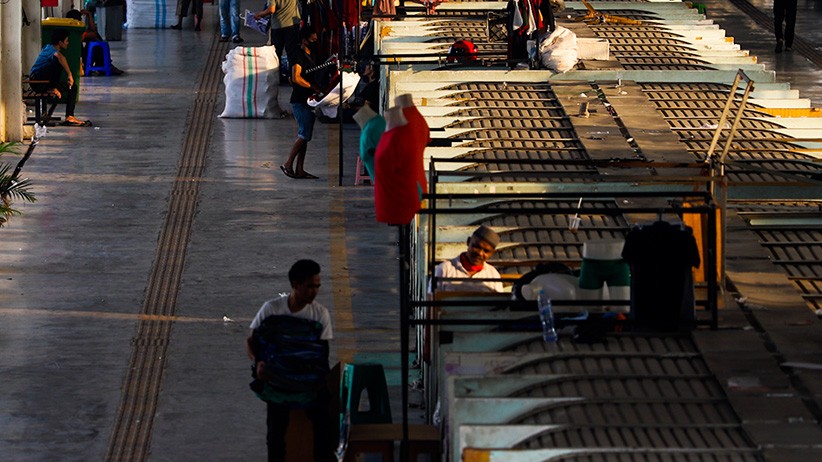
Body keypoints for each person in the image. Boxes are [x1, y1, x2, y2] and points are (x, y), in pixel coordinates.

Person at [246, 259, 335, 462]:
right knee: (275, 435)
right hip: (278, 382)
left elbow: (322, 354)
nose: (314, 291)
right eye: (310, 286)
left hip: (309, 382)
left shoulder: (320, 314)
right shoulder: (272, 309)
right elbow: (251, 341)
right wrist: (258, 362)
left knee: (324, 428)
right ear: (295, 284)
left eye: (317, 286)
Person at [280, 28, 322, 180]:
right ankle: (288, 163)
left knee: (306, 136)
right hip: (299, 100)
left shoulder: (312, 55)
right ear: (304, 40)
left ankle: (300, 169)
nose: (315, 40)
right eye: (312, 38)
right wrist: (311, 87)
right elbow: (295, 77)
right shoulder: (299, 55)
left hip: (309, 100)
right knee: (303, 134)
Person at [29, 29, 92, 127]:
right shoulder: (49, 49)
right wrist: (70, 74)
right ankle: (52, 88)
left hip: (45, 83)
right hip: (37, 82)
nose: (68, 43)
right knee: (57, 62)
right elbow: (61, 57)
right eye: (66, 40)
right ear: (60, 42)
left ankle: (69, 116)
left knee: (73, 87)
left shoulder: (52, 49)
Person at [431, 225, 505, 293]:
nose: (480, 253)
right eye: (476, 247)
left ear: (492, 253)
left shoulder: (493, 275)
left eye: (486, 251)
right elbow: (431, 300)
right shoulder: (444, 270)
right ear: (468, 241)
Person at [65, 9, 124, 75]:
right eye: (80, 19)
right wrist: (89, 15)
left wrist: (89, 15)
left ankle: (104, 64)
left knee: (94, 40)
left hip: (78, 58)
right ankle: (105, 64)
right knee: (94, 40)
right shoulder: (76, 32)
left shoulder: (70, 30)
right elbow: (93, 33)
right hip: (79, 61)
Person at [254, 0, 301, 66]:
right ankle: (293, 74)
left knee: (276, 55)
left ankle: (277, 74)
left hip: (278, 26)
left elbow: (271, 9)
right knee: (292, 55)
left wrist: (259, 14)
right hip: (293, 24)